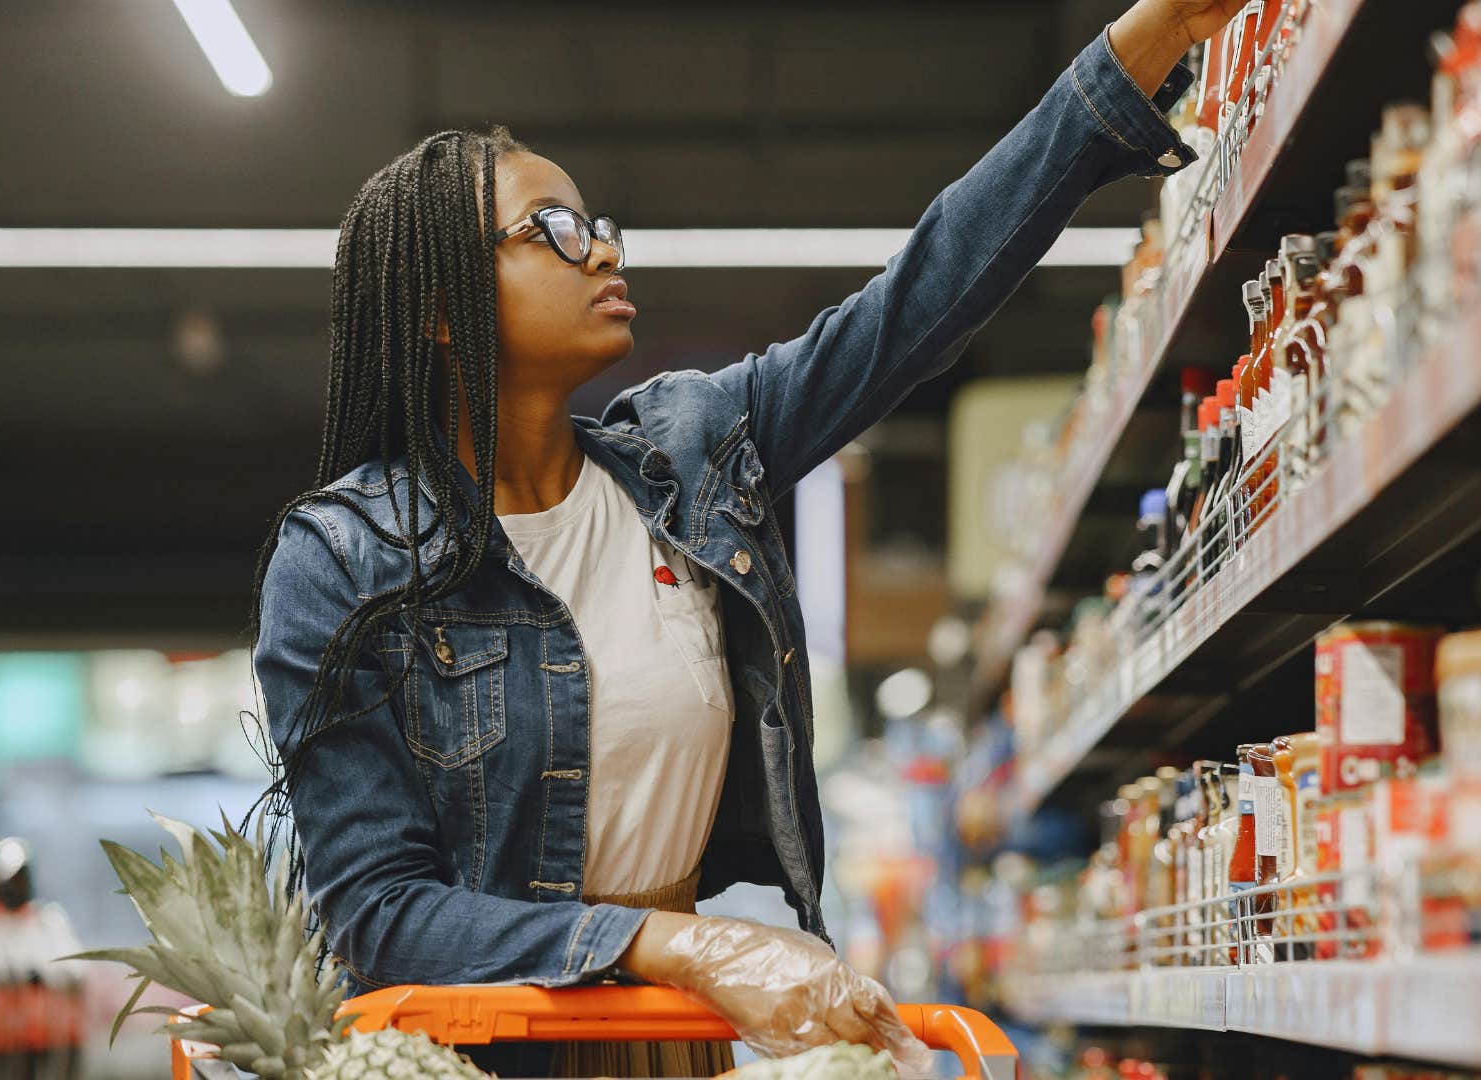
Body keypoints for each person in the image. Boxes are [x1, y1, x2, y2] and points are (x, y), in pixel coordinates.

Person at [250, 1, 1242, 1074]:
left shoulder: (689, 456)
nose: (604, 250)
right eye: (559, 231)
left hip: (678, 1045)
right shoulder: (342, 561)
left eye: (602, 224)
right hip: (477, 1058)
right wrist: (677, 944)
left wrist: (1142, 45)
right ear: (442, 308)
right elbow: (380, 915)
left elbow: (918, 301)